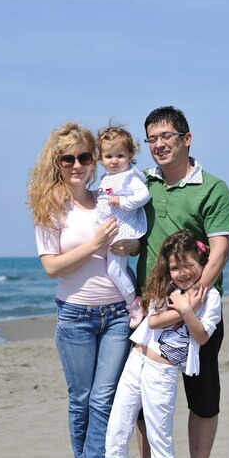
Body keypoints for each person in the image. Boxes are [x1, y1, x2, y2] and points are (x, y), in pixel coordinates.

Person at [124, 105, 229, 458]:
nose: (159, 145)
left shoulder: (213, 188)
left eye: (166, 136)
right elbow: (138, 237)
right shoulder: (142, 186)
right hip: (149, 312)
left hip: (197, 312)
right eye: (152, 138)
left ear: (186, 139)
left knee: (202, 397)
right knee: (142, 401)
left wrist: (193, 300)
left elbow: (219, 251)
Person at [27, 122, 132, 458]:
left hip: (117, 314)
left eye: (84, 157)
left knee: (104, 398)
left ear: (94, 161)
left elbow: (129, 245)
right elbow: (52, 268)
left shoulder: (107, 197)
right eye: (67, 158)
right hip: (75, 316)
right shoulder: (50, 205)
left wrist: (129, 242)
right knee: (82, 399)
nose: (77, 164)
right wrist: (94, 245)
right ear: (57, 162)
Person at [87, 230, 222, 458]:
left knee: (159, 430)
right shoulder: (168, 290)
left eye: (188, 265)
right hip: (137, 360)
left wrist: (189, 310)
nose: (182, 273)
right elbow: (155, 322)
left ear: (202, 262)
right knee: (119, 423)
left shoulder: (210, 298)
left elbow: (201, 337)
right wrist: (185, 307)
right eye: (175, 267)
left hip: (163, 371)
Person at [96, 125, 150, 328]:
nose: (114, 161)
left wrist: (123, 202)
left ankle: (133, 304)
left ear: (130, 155)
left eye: (120, 155)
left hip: (123, 229)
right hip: (110, 228)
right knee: (118, 268)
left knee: (114, 270)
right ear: (101, 159)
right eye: (108, 156)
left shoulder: (130, 176)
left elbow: (144, 195)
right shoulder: (106, 178)